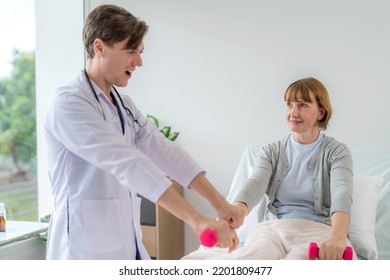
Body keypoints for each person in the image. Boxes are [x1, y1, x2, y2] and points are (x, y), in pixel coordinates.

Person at [44, 4, 243, 260]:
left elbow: (165, 151)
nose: (139, 61)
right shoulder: (69, 104)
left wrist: (220, 203)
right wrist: (196, 220)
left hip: (127, 248)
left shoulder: (124, 105)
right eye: (131, 51)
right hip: (82, 253)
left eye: (140, 52)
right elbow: (125, 160)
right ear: (99, 47)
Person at [183, 77, 357, 260]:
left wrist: (338, 237)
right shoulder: (272, 151)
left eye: (303, 105)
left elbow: (342, 193)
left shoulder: (337, 152)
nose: (293, 112)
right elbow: (255, 184)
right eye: (289, 105)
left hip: (317, 230)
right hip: (272, 229)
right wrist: (236, 212)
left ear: (321, 112)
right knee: (254, 259)